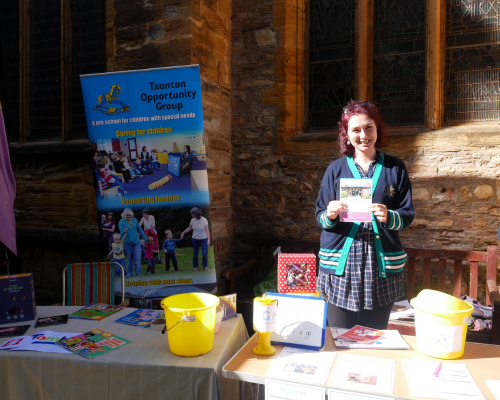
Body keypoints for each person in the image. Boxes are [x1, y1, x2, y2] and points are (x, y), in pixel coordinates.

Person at [315, 100, 414, 330]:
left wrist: (389, 216)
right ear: (346, 135)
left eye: (369, 127)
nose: (363, 135)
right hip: (342, 270)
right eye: (356, 130)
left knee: (374, 340)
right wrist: (329, 215)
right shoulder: (335, 170)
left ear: (377, 129)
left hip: (379, 272)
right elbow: (320, 216)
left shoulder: (395, 168)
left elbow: (407, 214)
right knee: (339, 338)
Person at [118, 208, 148, 278]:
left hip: (136, 242)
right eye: (127, 215)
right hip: (127, 243)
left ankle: (138, 273)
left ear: (131, 215)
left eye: (129, 215)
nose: (128, 216)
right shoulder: (121, 222)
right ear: (124, 215)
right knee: (129, 259)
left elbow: (140, 230)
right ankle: (130, 273)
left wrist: (145, 239)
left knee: (138, 258)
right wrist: (124, 231)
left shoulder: (134, 220)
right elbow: (121, 233)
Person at [181, 207, 210, 271]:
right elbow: (189, 228)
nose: (191, 215)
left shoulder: (204, 220)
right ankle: (195, 267)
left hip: (204, 239)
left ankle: (205, 266)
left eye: (192, 214)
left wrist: (208, 240)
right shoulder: (192, 220)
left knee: (204, 254)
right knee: (195, 254)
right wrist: (183, 232)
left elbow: (207, 231)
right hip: (195, 239)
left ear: (196, 214)